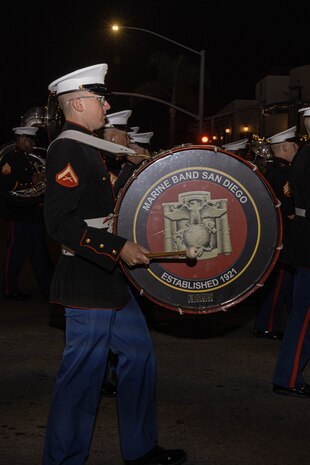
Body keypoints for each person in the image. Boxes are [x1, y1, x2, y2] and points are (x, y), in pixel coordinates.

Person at [42, 63, 187, 465]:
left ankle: (140, 449)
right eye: (100, 97)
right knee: (82, 378)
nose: (106, 104)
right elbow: (58, 222)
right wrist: (118, 246)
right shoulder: (67, 149)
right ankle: (64, 459)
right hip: (86, 279)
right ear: (79, 102)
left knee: (140, 357)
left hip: (111, 280)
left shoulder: (89, 146)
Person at [272, 108, 310, 398]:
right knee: (304, 314)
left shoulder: (304, 154)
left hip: (304, 238)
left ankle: (289, 374)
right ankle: (288, 376)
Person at [253, 127, 299, 340]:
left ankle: (268, 322)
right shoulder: (282, 172)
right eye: (294, 145)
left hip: (271, 233)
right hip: (283, 234)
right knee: (279, 281)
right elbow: (287, 206)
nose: (297, 149)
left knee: (279, 282)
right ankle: (267, 325)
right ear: (284, 147)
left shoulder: (270, 169)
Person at [0, 126, 54, 300]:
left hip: (33, 213)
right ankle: (10, 289)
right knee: (15, 252)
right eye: (30, 140)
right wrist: (29, 182)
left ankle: (46, 288)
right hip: (18, 213)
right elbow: (5, 185)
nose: (33, 144)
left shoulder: (31, 160)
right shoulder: (10, 159)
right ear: (22, 140)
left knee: (39, 252)